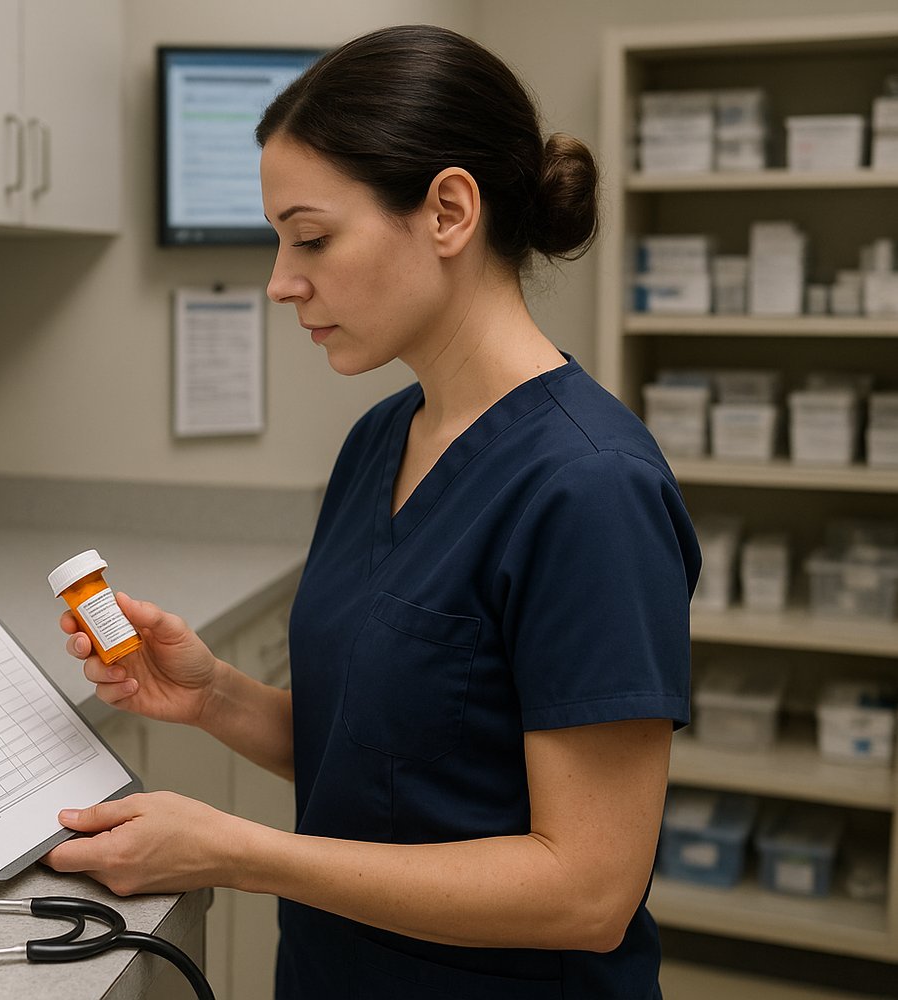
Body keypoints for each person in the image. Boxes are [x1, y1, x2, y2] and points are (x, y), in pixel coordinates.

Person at [44, 23, 699, 1000]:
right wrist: (215, 695)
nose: (279, 280)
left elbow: (587, 889)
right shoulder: (378, 444)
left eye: (310, 236)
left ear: (447, 210)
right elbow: (394, 753)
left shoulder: (590, 488)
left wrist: (236, 850)